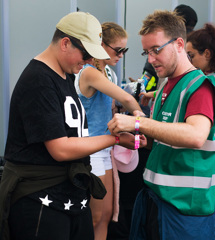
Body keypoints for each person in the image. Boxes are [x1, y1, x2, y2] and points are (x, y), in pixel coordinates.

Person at [0, 12, 147, 240]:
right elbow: (60, 149)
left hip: (67, 198)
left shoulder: (65, 74)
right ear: (66, 43)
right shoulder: (39, 79)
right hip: (41, 200)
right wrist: (115, 139)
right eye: (86, 54)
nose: (89, 61)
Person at [107, 10, 215, 239]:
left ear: (179, 44)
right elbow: (160, 139)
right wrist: (134, 138)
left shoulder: (199, 86)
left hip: (184, 209)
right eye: (146, 52)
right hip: (157, 201)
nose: (150, 59)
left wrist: (138, 122)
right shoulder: (165, 87)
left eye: (156, 50)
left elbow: (196, 135)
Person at [74, 21, 144, 240]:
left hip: (106, 149)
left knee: (106, 216)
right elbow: (125, 97)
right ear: (100, 45)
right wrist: (141, 122)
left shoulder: (110, 75)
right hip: (90, 150)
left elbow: (118, 103)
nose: (121, 55)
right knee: (94, 218)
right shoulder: (88, 72)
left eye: (125, 50)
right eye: (118, 49)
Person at [186, 23, 215, 239]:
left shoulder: (210, 81)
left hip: (214, 161)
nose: (189, 61)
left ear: (207, 53)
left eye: (192, 55)